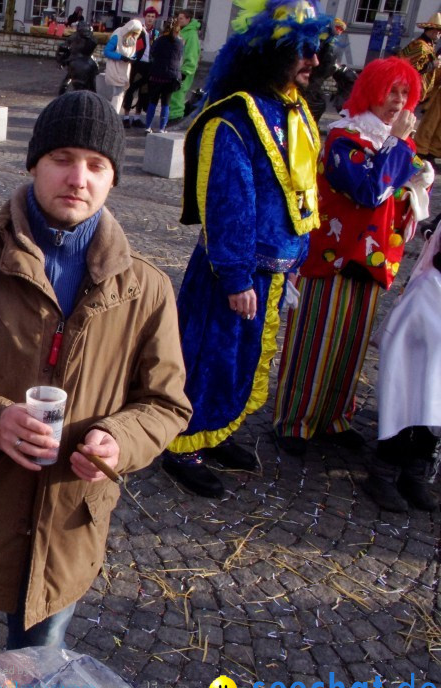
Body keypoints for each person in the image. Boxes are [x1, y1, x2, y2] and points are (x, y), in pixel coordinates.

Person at [0, 91, 191, 680]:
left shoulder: (146, 289)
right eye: (63, 159)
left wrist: (118, 439)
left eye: (97, 165)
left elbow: (166, 402)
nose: (78, 178)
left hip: (69, 525)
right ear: (33, 164)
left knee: (39, 675)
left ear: (113, 179)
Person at [162, 0, 327, 499]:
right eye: (302, 51)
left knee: (243, 362)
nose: (314, 62)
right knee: (210, 357)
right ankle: (181, 442)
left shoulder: (292, 109)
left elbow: (299, 192)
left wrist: (296, 260)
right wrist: (235, 277)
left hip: (274, 270)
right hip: (233, 274)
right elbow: (229, 202)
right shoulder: (233, 119)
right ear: (269, 53)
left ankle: (217, 432)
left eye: (317, 50)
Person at [273, 57, 431, 464]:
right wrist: (397, 148)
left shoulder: (393, 141)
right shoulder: (346, 136)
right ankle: (296, 420)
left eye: (404, 93)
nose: (398, 101)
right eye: (391, 91)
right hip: (335, 256)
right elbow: (367, 190)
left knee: (351, 345)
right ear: (371, 92)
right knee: (315, 341)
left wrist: (415, 173)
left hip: (376, 258)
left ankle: (335, 418)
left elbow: (408, 178)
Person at [371, 218, 441, 512]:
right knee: (408, 388)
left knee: (436, 400)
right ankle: (383, 472)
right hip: (432, 301)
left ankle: (415, 473)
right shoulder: (429, 287)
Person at [402, 14, 441, 161]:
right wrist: (433, 65)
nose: (439, 34)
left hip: (420, 89)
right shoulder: (420, 45)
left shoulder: (430, 45)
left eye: (440, 32)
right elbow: (411, 67)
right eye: (437, 31)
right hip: (410, 87)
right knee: (405, 115)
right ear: (429, 30)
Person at [145, 18, 183, 133]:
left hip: (157, 74)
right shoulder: (180, 42)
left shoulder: (159, 40)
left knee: (153, 101)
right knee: (166, 103)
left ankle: (148, 127)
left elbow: (153, 53)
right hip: (171, 76)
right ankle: (162, 128)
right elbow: (180, 57)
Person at [123, 8, 157, 128]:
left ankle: (137, 117)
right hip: (138, 64)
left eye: (153, 17)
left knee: (144, 92)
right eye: (148, 16)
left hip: (149, 65)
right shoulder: (138, 30)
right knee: (131, 89)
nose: (150, 19)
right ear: (144, 17)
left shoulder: (156, 33)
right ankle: (126, 117)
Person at [167, 9, 200, 124]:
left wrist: (186, 71)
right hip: (176, 68)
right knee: (173, 93)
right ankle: (172, 115)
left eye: (181, 18)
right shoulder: (183, 31)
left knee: (178, 93)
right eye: (178, 18)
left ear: (188, 19)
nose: (178, 20)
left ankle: (176, 117)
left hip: (183, 70)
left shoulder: (191, 35)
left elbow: (192, 54)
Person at [103, 18, 142, 114]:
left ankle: (113, 114)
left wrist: (133, 58)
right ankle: (113, 115)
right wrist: (121, 57)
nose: (134, 35)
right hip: (115, 67)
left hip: (125, 69)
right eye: (133, 32)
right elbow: (107, 51)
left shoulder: (133, 38)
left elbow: (133, 52)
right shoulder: (118, 35)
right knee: (118, 93)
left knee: (120, 94)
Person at [56, 23, 98, 95]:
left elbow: (62, 48)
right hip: (86, 62)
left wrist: (61, 61)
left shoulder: (74, 37)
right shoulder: (92, 39)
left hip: (76, 62)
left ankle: (61, 96)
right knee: (90, 84)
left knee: (68, 81)